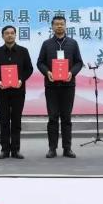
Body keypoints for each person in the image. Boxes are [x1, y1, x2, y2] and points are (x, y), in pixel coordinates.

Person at [37, 16, 84, 158]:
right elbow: (40, 63)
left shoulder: (73, 43)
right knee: (52, 118)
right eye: (56, 24)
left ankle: (67, 148)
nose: (59, 26)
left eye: (61, 24)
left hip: (68, 86)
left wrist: (71, 73)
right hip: (51, 86)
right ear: (52, 27)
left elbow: (79, 62)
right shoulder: (46, 44)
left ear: (65, 26)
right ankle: (52, 148)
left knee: (66, 118)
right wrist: (47, 72)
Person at [0, 25, 34, 159]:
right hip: (2, 92)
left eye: (12, 33)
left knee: (16, 121)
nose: (10, 35)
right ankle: (5, 150)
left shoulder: (23, 51)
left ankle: (15, 150)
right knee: (4, 121)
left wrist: (21, 80)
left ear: (15, 35)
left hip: (18, 91)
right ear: (2, 36)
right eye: (7, 33)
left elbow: (29, 69)